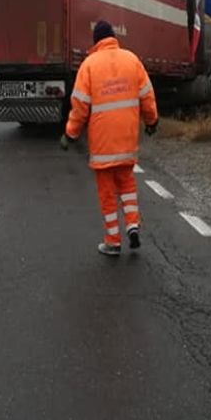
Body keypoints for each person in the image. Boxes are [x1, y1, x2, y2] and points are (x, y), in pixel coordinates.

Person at [61, 21, 158, 256]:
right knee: (127, 183)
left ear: (96, 41)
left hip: (103, 144)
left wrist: (70, 134)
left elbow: (80, 106)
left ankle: (113, 241)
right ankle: (133, 225)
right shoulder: (131, 59)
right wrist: (152, 121)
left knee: (107, 194)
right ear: (113, 38)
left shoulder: (89, 65)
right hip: (126, 140)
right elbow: (147, 95)